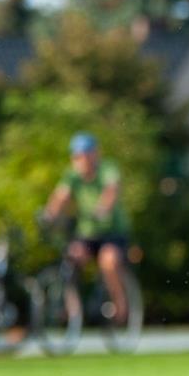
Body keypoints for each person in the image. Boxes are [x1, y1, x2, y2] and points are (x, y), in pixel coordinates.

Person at [42, 133, 131, 323]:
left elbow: (111, 190)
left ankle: (120, 304)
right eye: (78, 156)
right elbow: (60, 196)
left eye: (86, 155)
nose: (82, 161)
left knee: (108, 261)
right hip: (87, 232)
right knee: (72, 257)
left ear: (95, 154)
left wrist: (104, 207)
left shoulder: (107, 168)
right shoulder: (72, 175)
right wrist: (49, 213)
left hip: (112, 231)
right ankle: (70, 306)